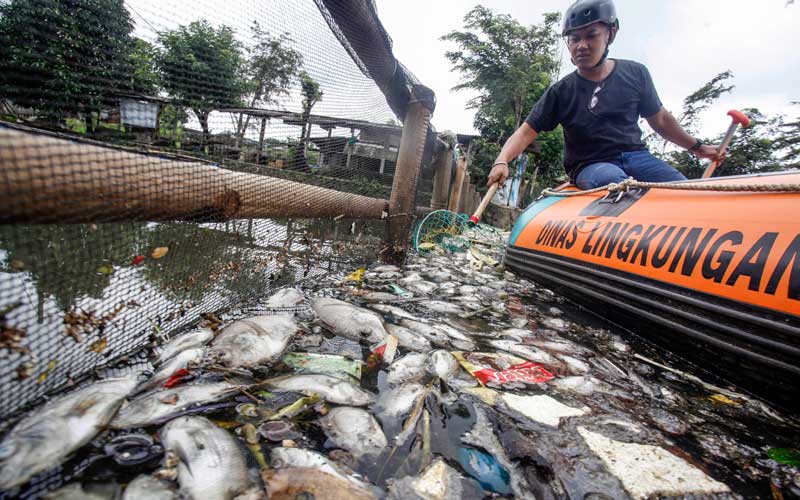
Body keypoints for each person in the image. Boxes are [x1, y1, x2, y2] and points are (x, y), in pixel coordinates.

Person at [487, 0, 721, 191]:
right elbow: (526, 131)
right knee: (621, 188)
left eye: (591, 35)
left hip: (637, 156)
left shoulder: (636, 73)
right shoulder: (561, 91)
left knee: (688, 191)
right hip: (591, 165)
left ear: (611, 34)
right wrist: (502, 161)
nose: (582, 45)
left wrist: (697, 147)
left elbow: (659, 119)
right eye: (574, 38)